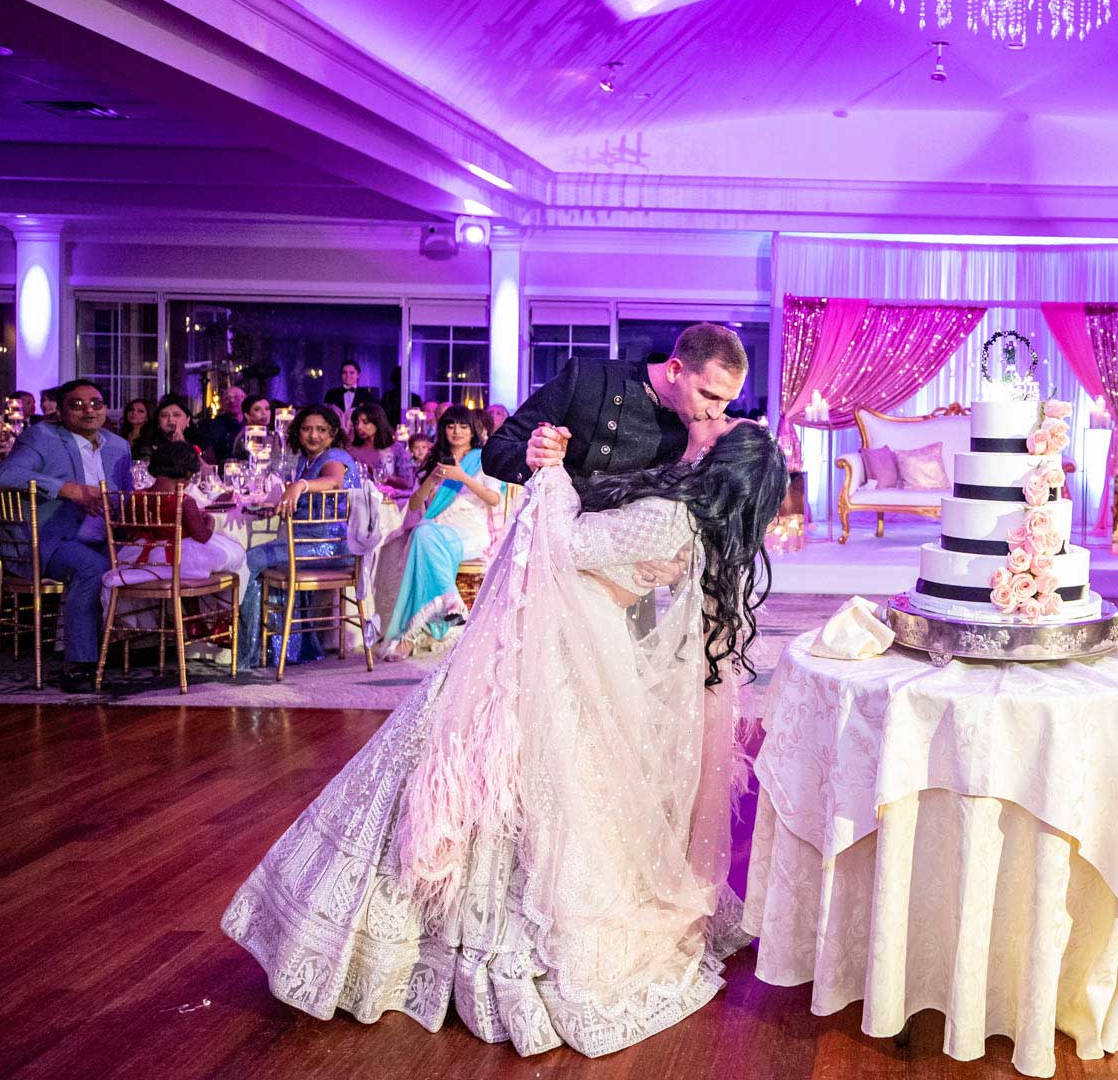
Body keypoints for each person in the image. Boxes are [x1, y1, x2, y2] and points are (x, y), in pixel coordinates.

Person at [223, 417, 788, 1057]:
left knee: (512, 780)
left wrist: (551, 478)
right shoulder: (683, 514)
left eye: (719, 428)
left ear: (718, 458)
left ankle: (457, 942)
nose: (706, 424)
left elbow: (567, 547)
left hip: (562, 644)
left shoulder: (670, 518)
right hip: (572, 633)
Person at [484, 324, 747, 636]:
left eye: (727, 402)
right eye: (709, 395)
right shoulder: (588, 380)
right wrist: (532, 455)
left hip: (619, 595)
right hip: (544, 568)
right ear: (675, 370)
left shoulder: (697, 434)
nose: (717, 412)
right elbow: (495, 452)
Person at [0, 378, 135, 692]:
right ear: (61, 409)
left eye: (96, 403)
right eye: (77, 404)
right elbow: (3, 474)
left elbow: (128, 495)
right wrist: (65, 489)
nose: (89, 411)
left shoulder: (118, 445)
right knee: (93, 568)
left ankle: (136, 649)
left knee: (148, 563)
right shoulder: (42, 436)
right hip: (51, 539)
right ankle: (80, 664)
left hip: (106, 537)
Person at [372, 406, 506, 660]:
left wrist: (463, 477)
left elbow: (493, 499)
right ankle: (450, 603)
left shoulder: (483, 458)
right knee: (422, 534)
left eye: (463, 426)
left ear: (473, 430)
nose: (456, 431)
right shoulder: (435, 460)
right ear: (443, 429)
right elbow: (414, 505)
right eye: (451, 425)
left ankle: (408, 636)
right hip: (437, 529)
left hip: (472, 531)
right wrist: (432, 478)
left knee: (421, 537)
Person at [235, 405, 361, 668]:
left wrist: (300, 485)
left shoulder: (335, 456)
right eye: (306, 429)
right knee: (261, 570)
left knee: (247, 560)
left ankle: (246, 650)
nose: (313, 435)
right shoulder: (306, 461)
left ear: (332, 433)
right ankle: (276, 651)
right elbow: (305, 505)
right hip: (303, 543)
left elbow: (334, 482)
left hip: (329, 547)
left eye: (321, 430)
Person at [101, 440, 248, 635]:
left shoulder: (137, 497)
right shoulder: (184, 501)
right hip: (175, 559)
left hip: (143, 560)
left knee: (187, 570)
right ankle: (221, 619)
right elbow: (202, 536)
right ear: (187, 474)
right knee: (236, 559)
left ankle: (195, 622)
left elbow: (128, 531)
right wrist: (210, 520)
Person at [345, 401, 417, 490]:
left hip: (390, 500)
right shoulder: (351, 452)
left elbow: (408, 482)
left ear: (378, 423)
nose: (359, 427)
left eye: (365, 422)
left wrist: (378, 474)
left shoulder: (395, 449)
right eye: (356, 423)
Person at [200, 386, 248, 465]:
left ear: (245, 401)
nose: (232, 401)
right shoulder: (211, 426)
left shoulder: (251, 424)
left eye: (236, 397)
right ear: (222, 404)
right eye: (227, 399)